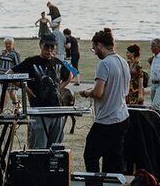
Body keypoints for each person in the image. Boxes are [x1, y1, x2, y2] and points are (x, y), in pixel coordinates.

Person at [79, 28, 130, 173]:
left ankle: (94, 184)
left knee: (90, 155)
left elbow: (98, 93)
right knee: (114, 157)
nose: (94, 52)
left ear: (100, 45)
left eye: (94, 48)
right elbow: (119, 89)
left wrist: (86, 93)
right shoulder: (123, 62)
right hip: (122, 117)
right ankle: (114, 185)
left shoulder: (104, 64)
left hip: (107, 120)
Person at [13, 36, 71, 148]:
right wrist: (26, 88)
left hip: (57, 112)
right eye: (46, 46)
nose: (49, 50)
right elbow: (10, 74)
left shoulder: (58, 62)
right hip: (38, 112)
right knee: (38, 149)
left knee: (55, 150)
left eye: (52, 47)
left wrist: (59, 88)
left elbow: (69, 76)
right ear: (40, 45)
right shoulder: (31, 62)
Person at [0, 37, 22, 109]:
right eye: (6, 44)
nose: (7, 45)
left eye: (9, 44)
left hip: (11, 76)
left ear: (13, 44)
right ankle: (17, 105)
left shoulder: (15, 54)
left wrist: (18, 77)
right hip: (2, 75)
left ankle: (2, 109)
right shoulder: (2, 52)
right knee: (10, 92)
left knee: (7, 91)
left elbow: (18, 65)